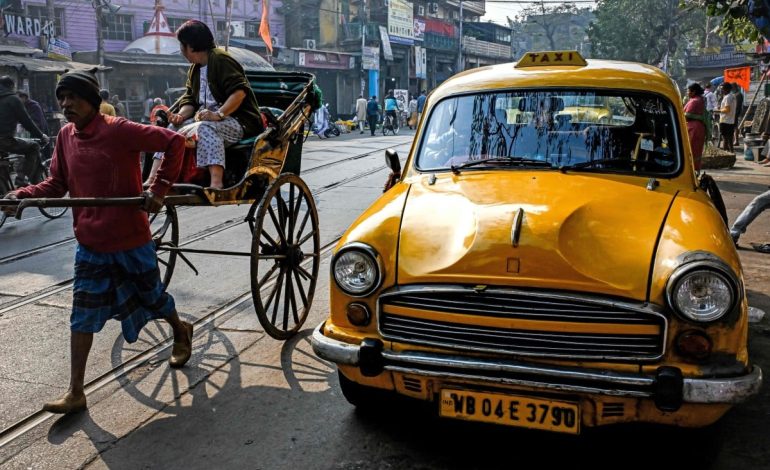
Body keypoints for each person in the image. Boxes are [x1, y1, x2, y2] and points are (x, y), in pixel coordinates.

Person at [1, 70, 191, 414]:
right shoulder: (64, 137)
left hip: (130, 238)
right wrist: (24, 195)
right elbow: (56, 184)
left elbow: (174, 142)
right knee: (81, 315)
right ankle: (76, 391)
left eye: (72, 97)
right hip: (89, 242)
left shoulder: (119, 130)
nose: (66, 104)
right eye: (62, 98)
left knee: (154, 298)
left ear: (90, 100)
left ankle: (180, 330)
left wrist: (158, 189)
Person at [145, 20, 263, 189]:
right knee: (170, 129)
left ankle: (216, 183)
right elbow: (190, 100)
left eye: (182, 45)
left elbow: (239, 92)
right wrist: (180, 116)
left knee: (205, 127)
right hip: (208, 121)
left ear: (190, 46)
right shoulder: (195, 69)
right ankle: (153, 179)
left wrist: (219, 114)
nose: (181, 50)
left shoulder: (221, 60)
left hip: (239, 121)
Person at [0, 76, 48, 187]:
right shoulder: (13, 99)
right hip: (5, 140)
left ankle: (5, 189)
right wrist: (41, 136)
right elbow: (27, 121)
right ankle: (21, 179)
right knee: (34, 147)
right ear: (11, 86)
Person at [683, 82, 708, 171]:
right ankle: (695, 169)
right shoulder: (699, 99)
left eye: (688, 91)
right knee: (696, 150)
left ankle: (690, 170)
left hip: (693, 128)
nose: (687, 93)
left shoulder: (694, 101)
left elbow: (686, 115)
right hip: (698, 128)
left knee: (691, 150)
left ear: (693, 92)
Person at [717, 82, 736, 153]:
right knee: (730, 139)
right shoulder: (732, 96)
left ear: (726, 89)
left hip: (725, 120)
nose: (721, 90)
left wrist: (718, 110)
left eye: (722, 89)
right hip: (731, 120)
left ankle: (725, 153)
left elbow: (727, 110)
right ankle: (731, 152)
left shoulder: (727, 97)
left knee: (725, 139)